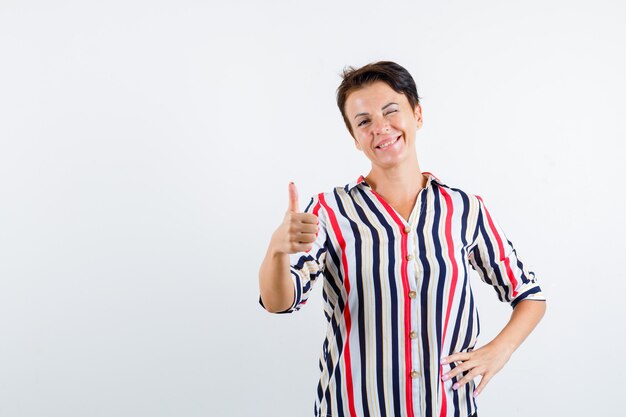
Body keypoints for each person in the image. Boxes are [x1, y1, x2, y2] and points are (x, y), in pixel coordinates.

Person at [258, 61, 546, 417]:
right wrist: (276, 251)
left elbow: (529, 296)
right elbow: (279, 302)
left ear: (418, 114)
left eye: (390, 111)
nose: (380, 128)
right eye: (363, 122)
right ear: (354, 138)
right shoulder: (330, 211)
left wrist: (499, 351)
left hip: (446, 408)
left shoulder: (465, 209)